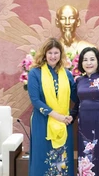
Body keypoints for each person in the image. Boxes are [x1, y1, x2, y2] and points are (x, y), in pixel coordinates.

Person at [27, 37, 77, 176]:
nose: (53, 56)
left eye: (56, 53)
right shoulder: (35, 73)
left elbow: (76, 97)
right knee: (42, 159)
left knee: (61, 162)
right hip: (42, 122)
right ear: (44, 54)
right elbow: (36, 101)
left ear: (61, 54)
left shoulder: (66, 74)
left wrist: (72, 115)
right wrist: (58, 116)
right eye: (50, 53)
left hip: (64, 124)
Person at [70, 47, 99, 176]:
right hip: (84, 128)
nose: (88, 63)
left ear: (98, 62)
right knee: (85, 160)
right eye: (85, 60)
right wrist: (70, 117)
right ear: (81, 63)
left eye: (92, 59)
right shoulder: (79, 81)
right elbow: (78, 103)